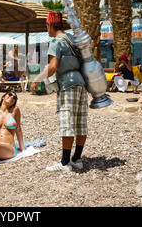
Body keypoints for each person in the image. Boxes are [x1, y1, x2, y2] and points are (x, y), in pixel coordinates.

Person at [30, 11, 88, 172]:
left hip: (67, 85)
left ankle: (64, 162)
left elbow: (53, 66)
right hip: (81, 84)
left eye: (46, 26)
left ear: (50, 25)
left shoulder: (56, 42)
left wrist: (37, 79)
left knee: (67, 123)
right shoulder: (72, 39)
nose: (47, 29)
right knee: (80, 123)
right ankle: (77, 159)